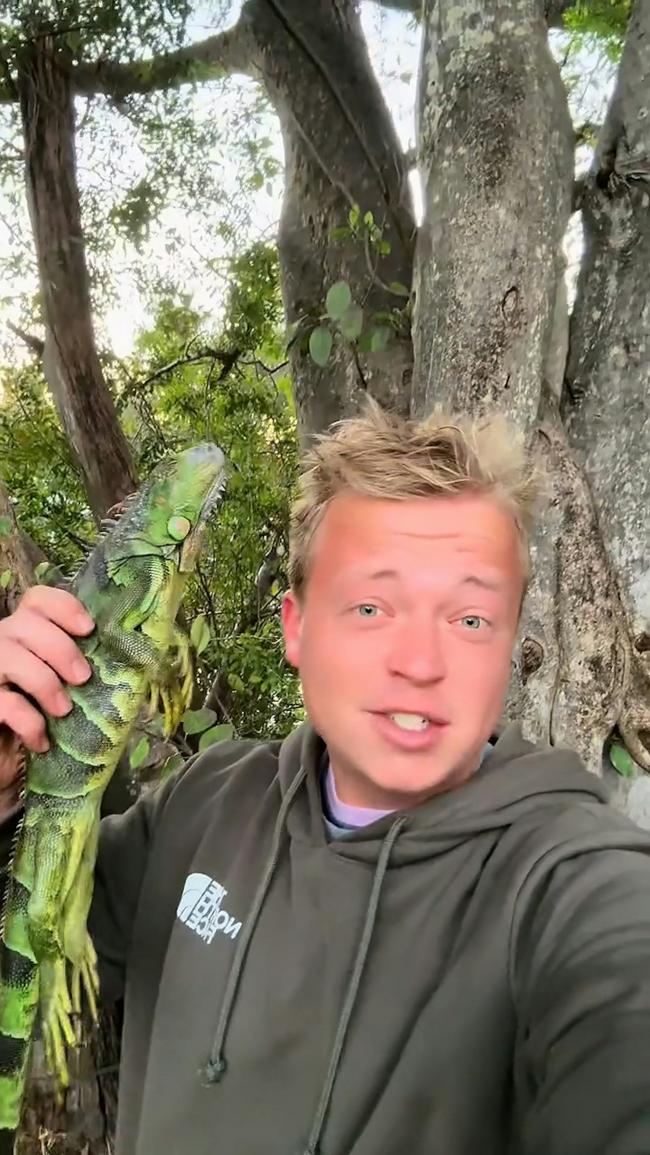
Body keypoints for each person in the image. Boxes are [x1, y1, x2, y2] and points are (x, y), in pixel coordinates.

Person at [0, 402, 649, 1155]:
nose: (421, 663)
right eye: (371, 607)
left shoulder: (572, 884)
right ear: (296, 627)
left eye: (470, 619)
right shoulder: (201, 804)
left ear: (511, 644)